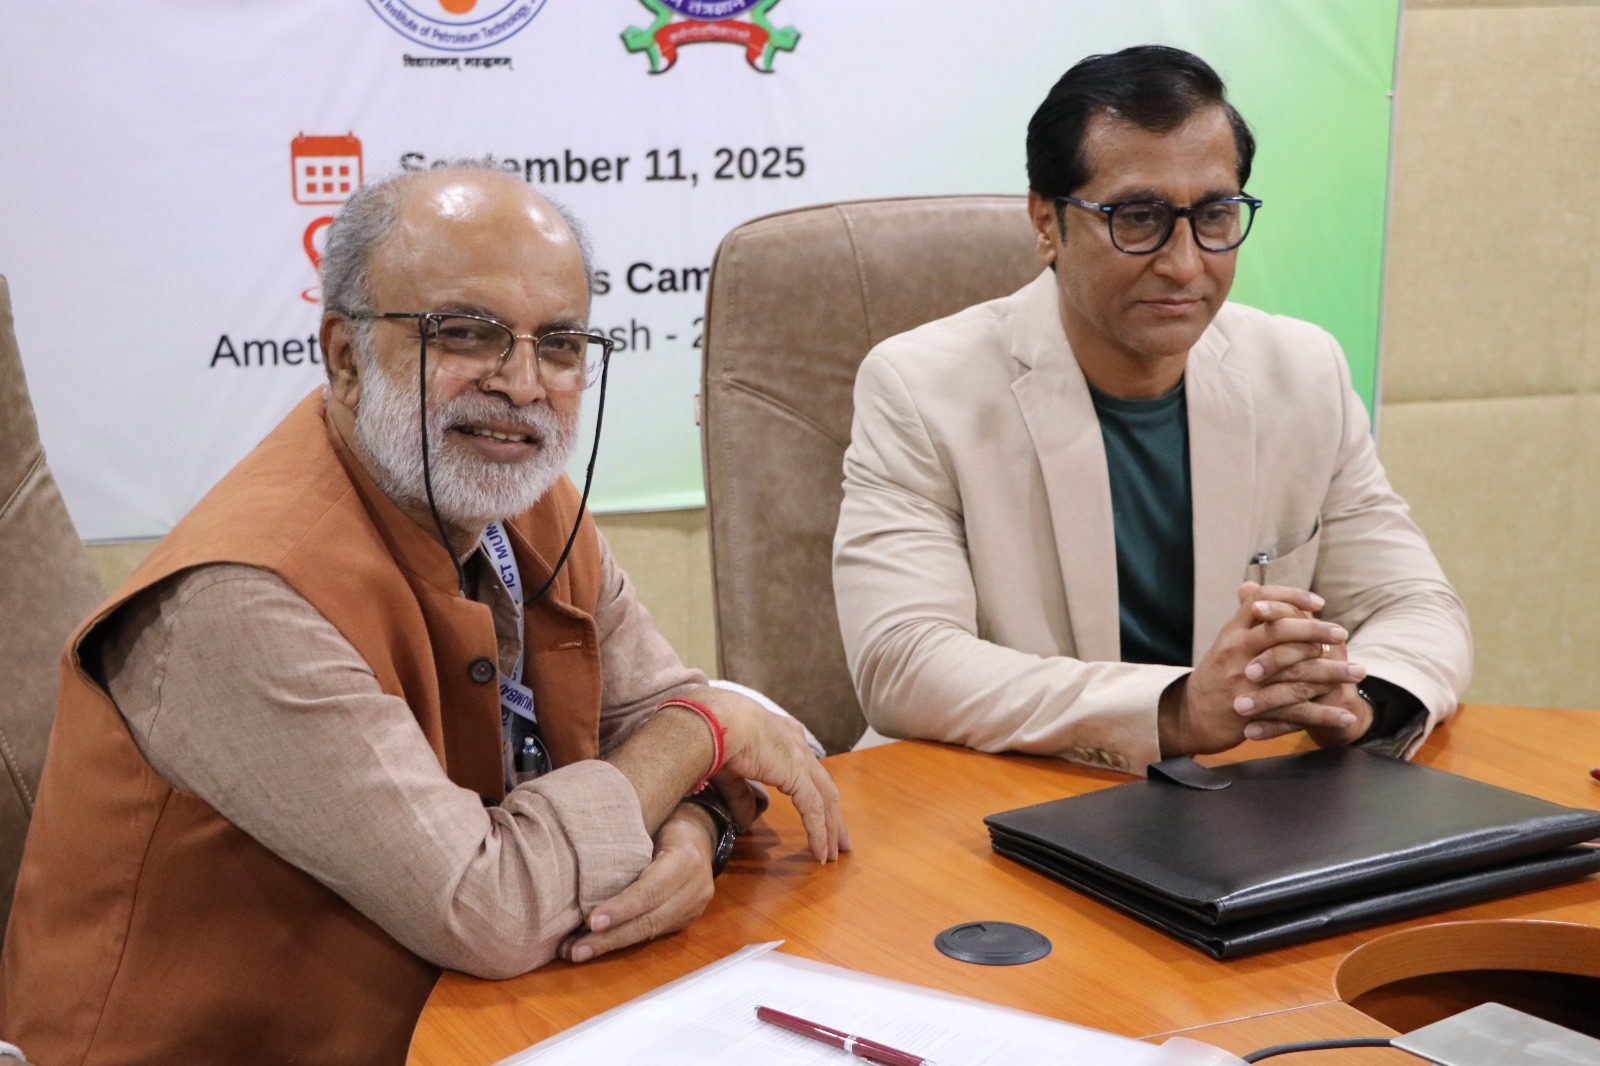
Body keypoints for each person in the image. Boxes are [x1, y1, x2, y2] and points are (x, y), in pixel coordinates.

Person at [0, 165, 847, 1064]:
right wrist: (701, 738)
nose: (523, 385)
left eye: (561, 344)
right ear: (345, 357)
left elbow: (658, 717)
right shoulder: (240, 597)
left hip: (485, 1023)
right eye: (468, 333)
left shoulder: (523, 493)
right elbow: (488, 903)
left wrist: (693, 829)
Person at [833, 45, 1472, 774]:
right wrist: (1175, 711)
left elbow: (1416, 604)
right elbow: (903, 661)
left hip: (1232, 806)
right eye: (1138, 217)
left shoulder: (1303, 372)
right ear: (1046, 223)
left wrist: (1358, 699)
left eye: (1215, 215)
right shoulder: (918, 388)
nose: (1185, 263)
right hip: (995, 797)